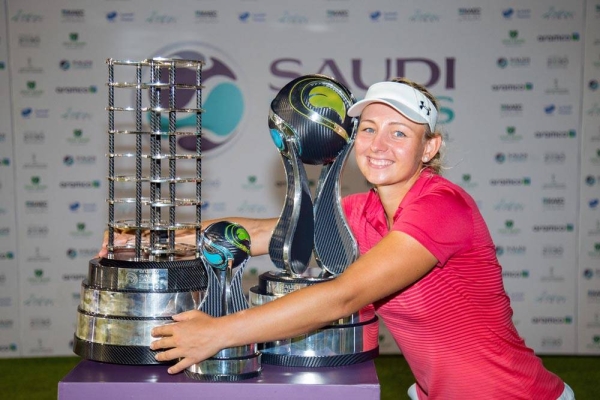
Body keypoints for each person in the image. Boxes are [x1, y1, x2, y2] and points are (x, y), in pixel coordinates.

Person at [98, 78, 574, 399]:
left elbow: (343, 295)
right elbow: (267, 232)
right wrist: (148, 239)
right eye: (368, 129)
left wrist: (218, 333)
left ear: (429, 148)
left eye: (399, 133)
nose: (378, 145)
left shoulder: (441, 206)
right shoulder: (362, 212)